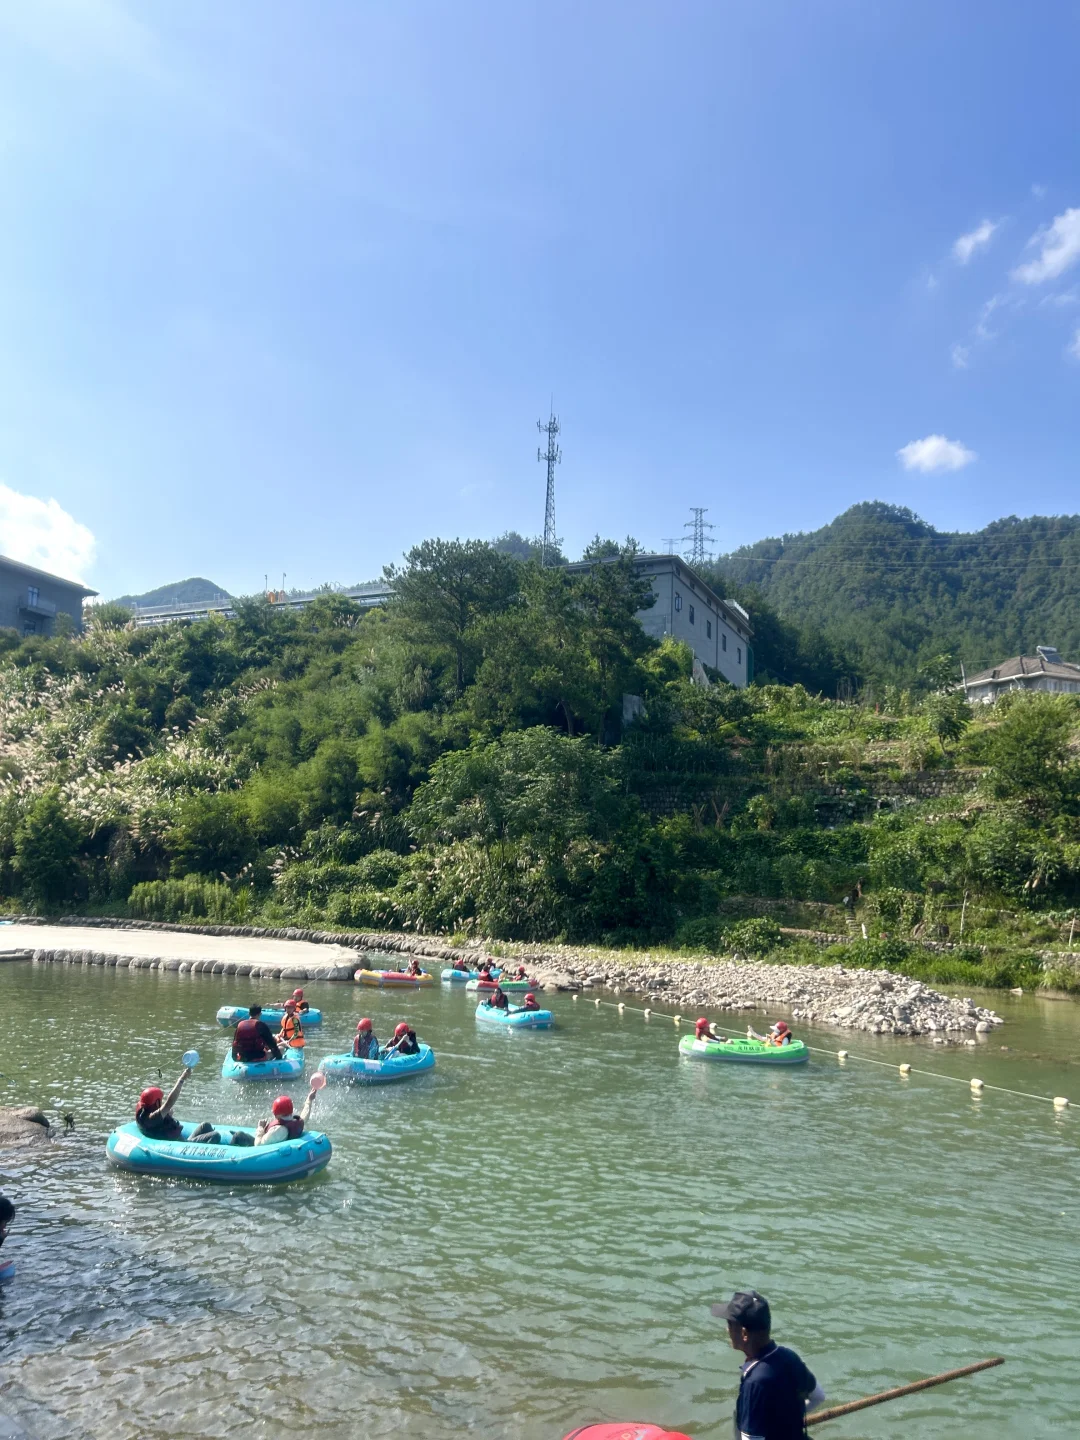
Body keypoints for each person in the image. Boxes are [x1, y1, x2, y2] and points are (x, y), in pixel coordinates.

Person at [712, 1290, 825, 1440]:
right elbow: (818, 1396)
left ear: (744, 1334)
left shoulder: (755, 1382)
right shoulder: (789, 1357)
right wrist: (788, 1421)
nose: (727, 1330)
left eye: (730, 1325)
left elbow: (751, 1439)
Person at [135, 1068, 220, 1144]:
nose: (162, 1102)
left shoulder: (145, 1113)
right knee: (215, 1135)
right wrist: (181, 1079)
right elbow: (170, 1101)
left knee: (205, 1125)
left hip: (183, 1141)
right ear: (156, 1102)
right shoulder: (152, 1118)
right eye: (160, 1100)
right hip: (182, 1146)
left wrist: (167, 1115)